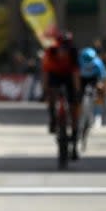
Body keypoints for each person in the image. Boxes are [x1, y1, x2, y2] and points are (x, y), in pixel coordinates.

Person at [41, 31, 81, 159]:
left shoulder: (73, 53)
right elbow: (46, 74)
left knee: (74, 106)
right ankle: (53, 118)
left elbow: (75, 74)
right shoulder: (50, 52)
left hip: (69, 76)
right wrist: (45, 91)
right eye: (61, 47)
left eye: (66, 47)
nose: (63, 50)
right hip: (55, 75)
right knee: (51, 94)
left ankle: (74, 139)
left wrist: (77, 92)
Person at [78, 46, 106, 128]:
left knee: (99, 92)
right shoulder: (79, 62)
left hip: (94, 78)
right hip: (82, 79)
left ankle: (97, 116)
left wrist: (103, 89)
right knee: (77, 93)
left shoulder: (98, 63)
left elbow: (103, 77)